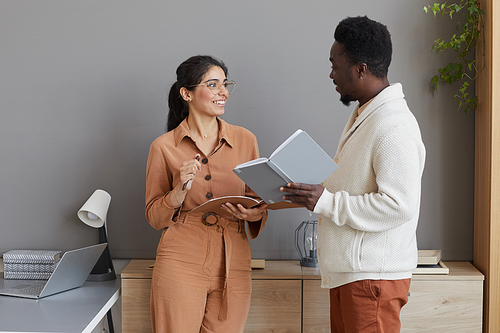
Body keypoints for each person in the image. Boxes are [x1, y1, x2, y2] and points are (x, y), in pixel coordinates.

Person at [280, 16, 426, 332]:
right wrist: (301, 192)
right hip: (354, 275)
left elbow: (399, 205)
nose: (331, 74)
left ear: (359, 69)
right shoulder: (366, 116)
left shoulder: (393, 125)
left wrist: (327, 201)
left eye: (335, 64)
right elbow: (351, 186)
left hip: (372, 278)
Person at [145, 55, 268, 333]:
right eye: (213, 84)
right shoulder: (163, 147)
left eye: (225, 84)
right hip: (181, 256)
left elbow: (258, 201)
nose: (223, 92)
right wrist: (177, 192)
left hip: (234, 257)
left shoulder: (246, 140)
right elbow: (154, 216)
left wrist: (255, 212)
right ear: (186, 93)